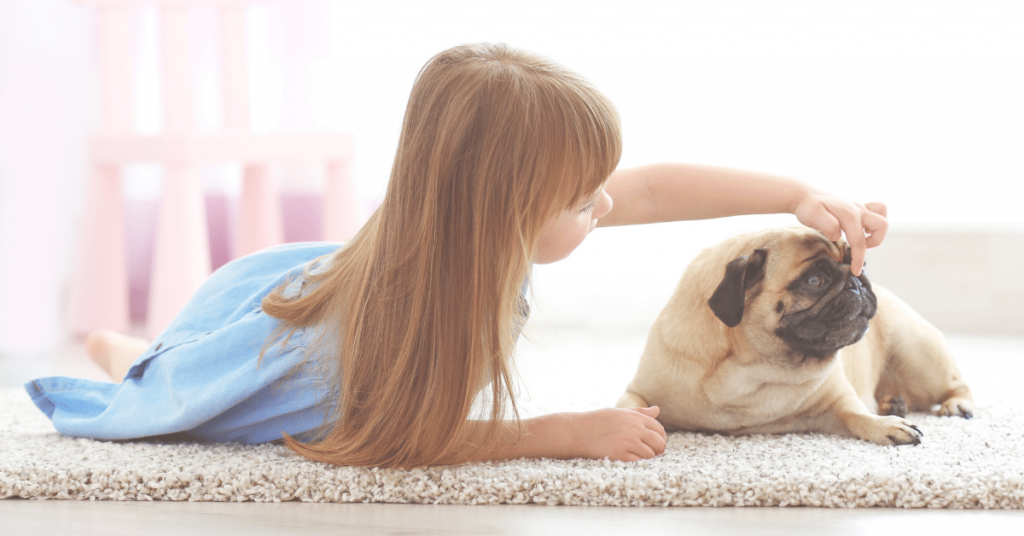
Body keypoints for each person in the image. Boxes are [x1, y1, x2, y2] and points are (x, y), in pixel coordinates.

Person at [26, 43, 887, 468]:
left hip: (283, 283)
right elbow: (400, 438)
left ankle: (135, 350)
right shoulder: (410, 329)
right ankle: (132, 358)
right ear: (508, 217)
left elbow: (653, 187)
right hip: (279, 349)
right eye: (584, 201)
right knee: (172, 399)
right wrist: (561, 432)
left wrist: (794, 194)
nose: (608, 203)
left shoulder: (471, 235)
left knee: (167, 360)